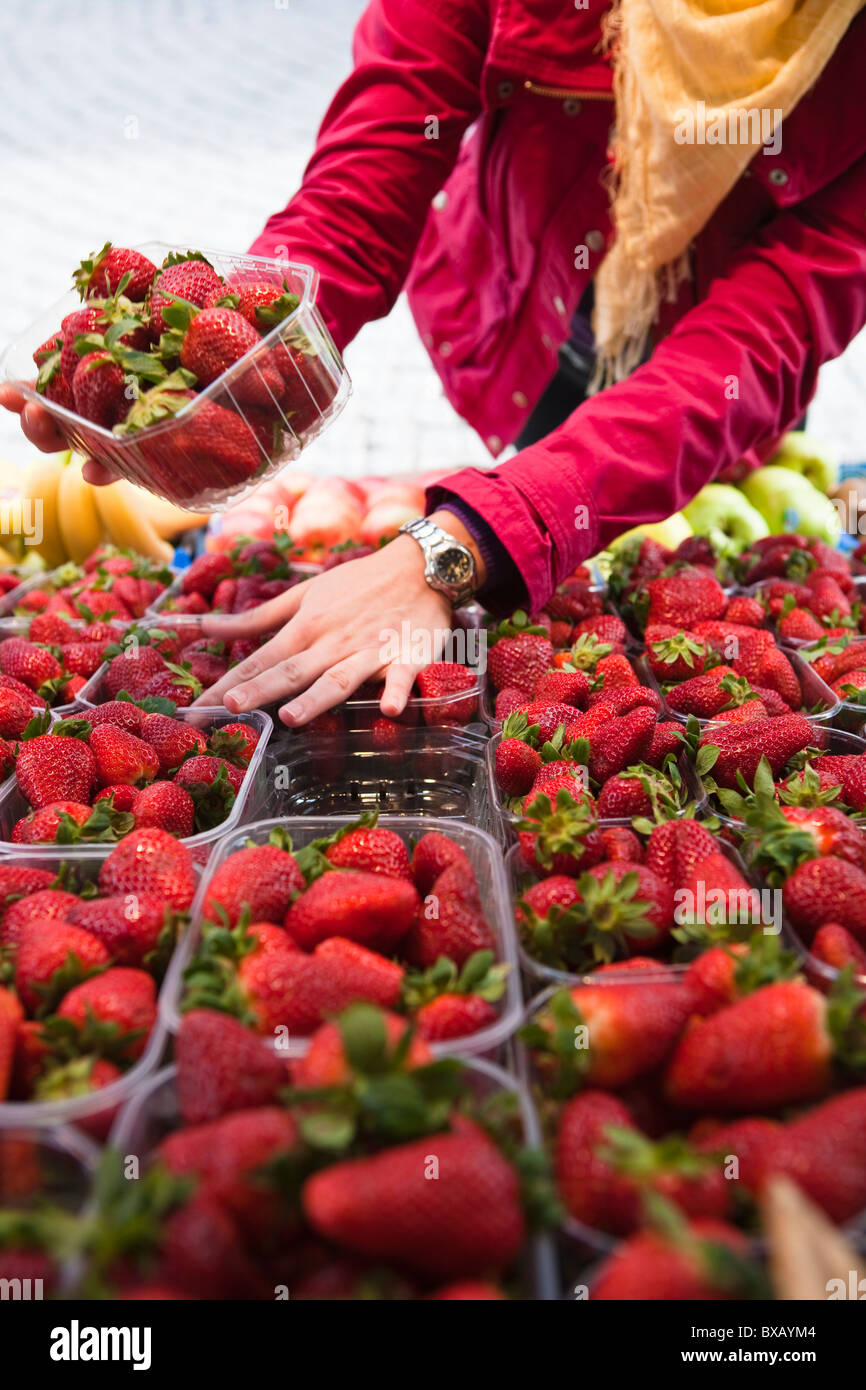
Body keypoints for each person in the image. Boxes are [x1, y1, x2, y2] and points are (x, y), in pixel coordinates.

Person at [4, 0, 866, 728]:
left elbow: (761, 339)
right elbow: (372, 170)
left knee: (601, 506)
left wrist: (455, 549)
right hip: (520, 318)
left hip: (700, 373)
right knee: (548, 494)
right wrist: (240, 362)